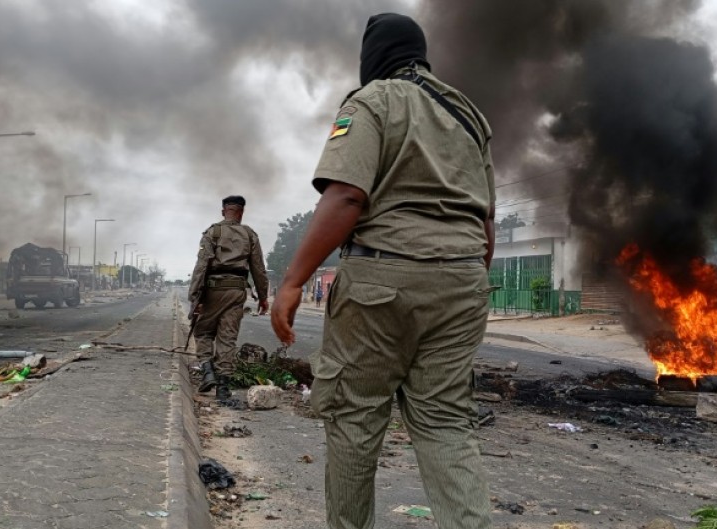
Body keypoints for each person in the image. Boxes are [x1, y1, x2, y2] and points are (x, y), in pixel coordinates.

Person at [271, 13, 496, 529]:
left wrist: (292, 281)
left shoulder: (371, 101)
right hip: (463, 283)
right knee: (445, 424)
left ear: (374, 55)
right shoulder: (468, 115)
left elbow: (348, 194)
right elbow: (485, 222)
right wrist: (465, 282)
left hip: (382, 281)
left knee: (355, 418)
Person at [190, 195, 270, 399]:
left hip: (213, 289)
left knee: (204, 332)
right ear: (241, 212)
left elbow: (201, 266)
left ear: (223, 211)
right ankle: (223, 388)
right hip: (237, 291)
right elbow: (259, 269)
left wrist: (194, 297)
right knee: (228, 337)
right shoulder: (250, 235)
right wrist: (263, 297)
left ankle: (208, 371)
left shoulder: (213, 232)